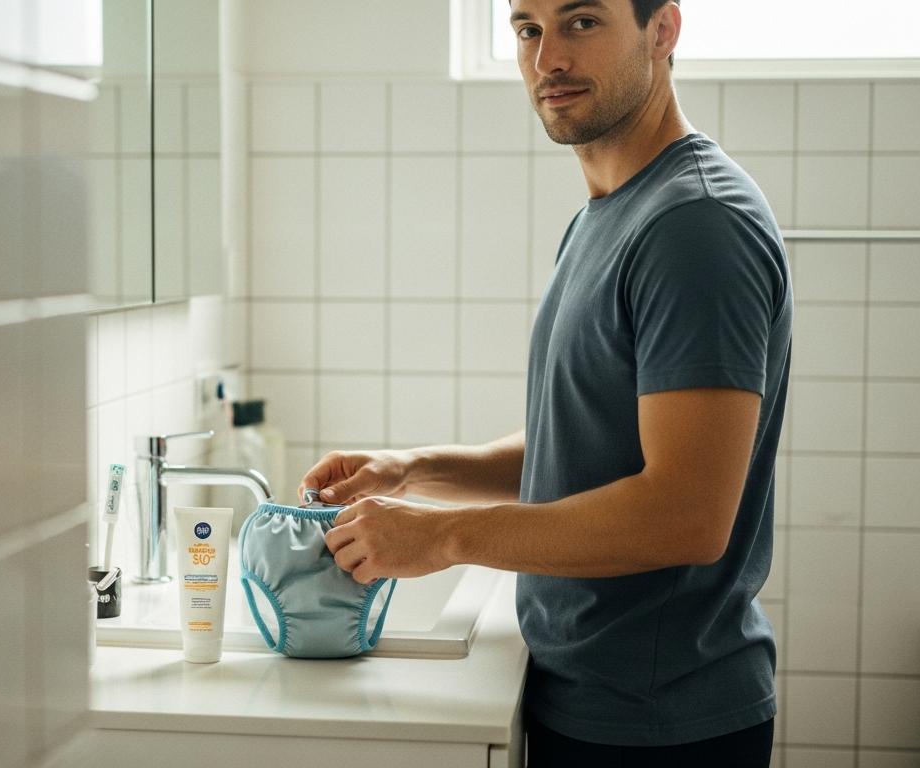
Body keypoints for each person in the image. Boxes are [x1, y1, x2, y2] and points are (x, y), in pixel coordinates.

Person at [301, 1, 791, 765]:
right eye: (528, 29)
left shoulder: (695, 223)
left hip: (663, 724)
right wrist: (417, 471)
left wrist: (443, 535)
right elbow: (591, 450)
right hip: (589, 698)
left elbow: (686, 514)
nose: (547, 58)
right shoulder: (609, 215)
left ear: (662, 31)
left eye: (582, 22)